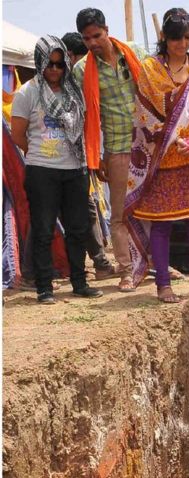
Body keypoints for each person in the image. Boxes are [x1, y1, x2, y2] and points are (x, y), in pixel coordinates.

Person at [124, 8, 189, 303]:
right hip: (160, 159)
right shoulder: (151, 70)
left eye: (187, 37)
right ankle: (163, 285)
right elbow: (144, 115)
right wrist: (171, 138)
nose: (182, 43)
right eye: (176, 38)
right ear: (164, 38)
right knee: (161, 222)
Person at [11, 36, 102, 304]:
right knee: (43, 229)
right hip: (42, 170)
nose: (55, 70)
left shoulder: (75, 90)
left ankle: (79, 282)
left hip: (76, 168)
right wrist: (42, 153)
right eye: (49, 65)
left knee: (78, 228)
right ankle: (44, 288)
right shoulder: (27, 93)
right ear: (40, 63)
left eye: (60, 65)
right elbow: (17, 135)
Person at [73, 8, 147, 291]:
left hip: (146, 145)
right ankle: (126, 271)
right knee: (119, 215)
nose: (91, 42)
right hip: (115, 148)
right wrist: (97, 155)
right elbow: (86, 114)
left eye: (96, 35)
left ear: (107, 29)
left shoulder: (135, 52)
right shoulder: (82, 70)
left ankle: (149, 265)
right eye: (86, 38)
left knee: (149, 211)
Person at [62, 30, 114, 277]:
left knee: (85, 207)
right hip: (66, 161)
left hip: (83, 157)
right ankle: (99, 262)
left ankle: (99, 262)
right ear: (71, 57)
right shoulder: (66, 85)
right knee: (78, 209)